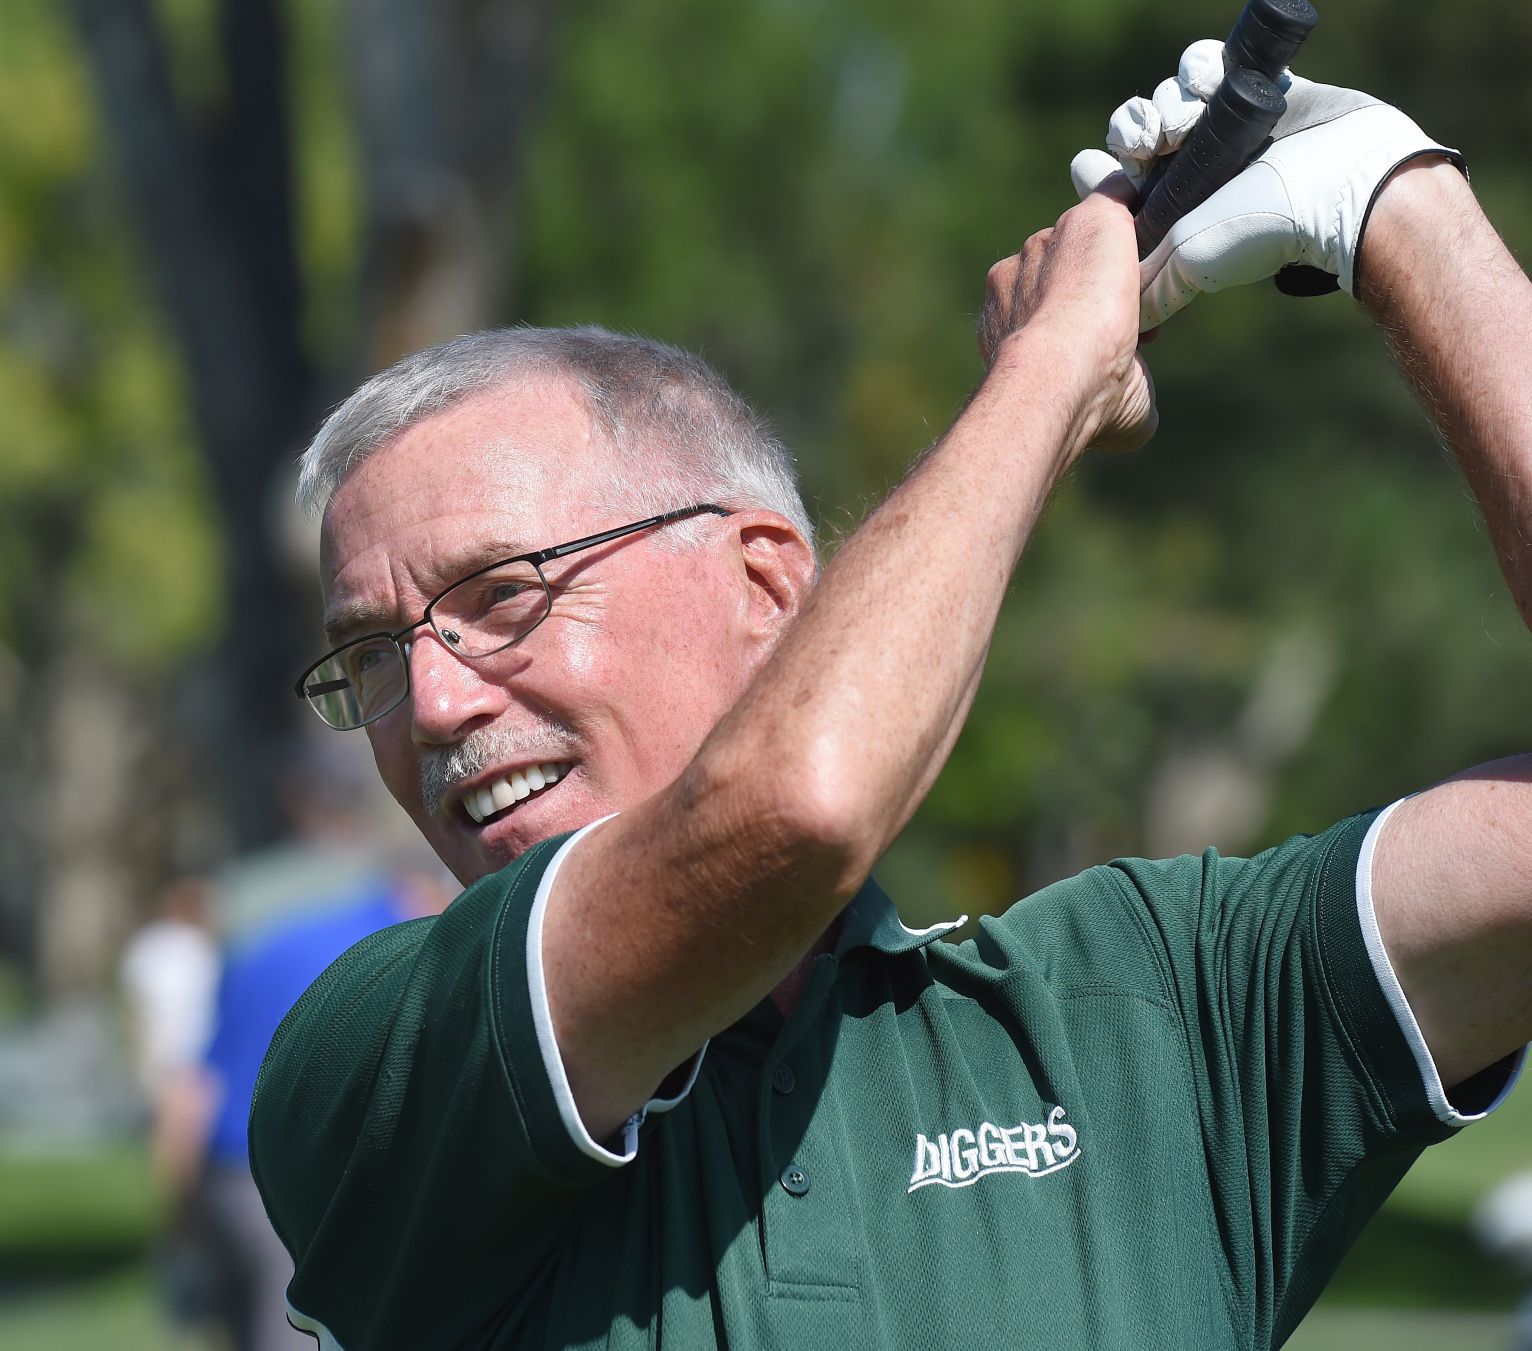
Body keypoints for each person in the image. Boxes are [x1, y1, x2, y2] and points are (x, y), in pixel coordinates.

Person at [251, 47, 1532, 1350]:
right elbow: (794, 814)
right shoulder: (374, 1064)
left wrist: (1397, 204)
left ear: (766, 587)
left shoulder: (1158, 1003)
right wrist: (1051, 370)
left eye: (503, 595)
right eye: (370, 656)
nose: (432, 701)